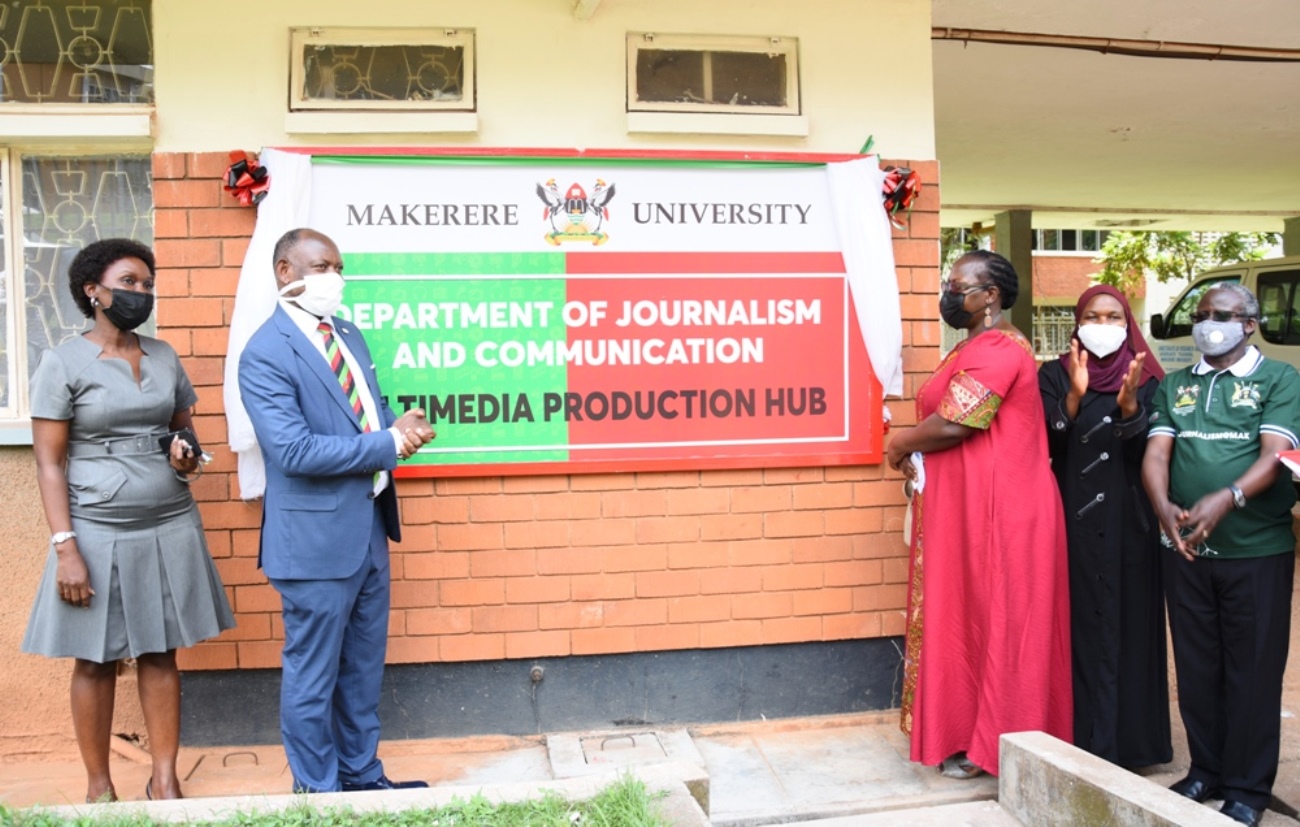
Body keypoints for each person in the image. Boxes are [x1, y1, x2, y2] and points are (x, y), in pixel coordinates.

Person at [22, 238, 235, 803]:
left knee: (162, 650)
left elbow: (184, 430)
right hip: (95, 527)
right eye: (128, 282)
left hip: (169, 518)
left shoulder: (163, 355)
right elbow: (49, 463)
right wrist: (66, 546)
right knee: (95, 657)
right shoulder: (62, 362)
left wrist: (186, 453)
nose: (140, 293)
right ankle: (99, 787)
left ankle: (164, 779)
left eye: (146, 284)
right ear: (93, 290)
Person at [238, 228, 435, 794]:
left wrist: (401, 425)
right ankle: (319, 793)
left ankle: (362, 778)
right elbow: (293, 451)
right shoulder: (266, 352)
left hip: (368, 530)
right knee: (313, 674)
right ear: (285, 271)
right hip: (314, 547)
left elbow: (362, 414)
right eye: (322, 266)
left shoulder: (345, 333)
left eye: (339, 267)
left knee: (361, 672)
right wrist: (386, 444)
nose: (335, 279)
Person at [887, 249, 1072, 777]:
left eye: (958, 286)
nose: (949, 294)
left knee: (999, 622)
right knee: (967, 618)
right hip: (972, 508)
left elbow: (956, 424)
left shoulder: (999, 350)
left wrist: (898, 445)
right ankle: (963, 731)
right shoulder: (975, 345)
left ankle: (992, 742)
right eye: (948, 283)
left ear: (990, 296)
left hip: (1003, 513)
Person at [1142, 283, 1300, 827]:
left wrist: (1228, 497)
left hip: (1255, 551)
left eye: (1224, 315)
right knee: (1197, 666)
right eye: (1203, 314)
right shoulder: (1177, 384)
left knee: (1253, 672)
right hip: (1184, 550)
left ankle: (1248, 788)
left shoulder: (1279, 379)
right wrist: (1162, 505)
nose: (1210, 323)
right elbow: (1158, 450)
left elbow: (1276, 454)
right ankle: (1206, 769)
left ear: (1250, 323)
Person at [1038, 285, 1171, 768]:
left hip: (1127, 522)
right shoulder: (1053, 375)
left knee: (1128, 624)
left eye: (1114, 316)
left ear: (1128, 322)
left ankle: (1132, 744)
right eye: (1092, 315)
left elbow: (1151, 459)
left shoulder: (1151, 379)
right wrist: (1073, 397)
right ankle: (1074, 737)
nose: (1103, 325)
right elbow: (1045, 448)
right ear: (1077, 322)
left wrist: (1131, 408)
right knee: (1074, 626)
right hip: (1068, 520)